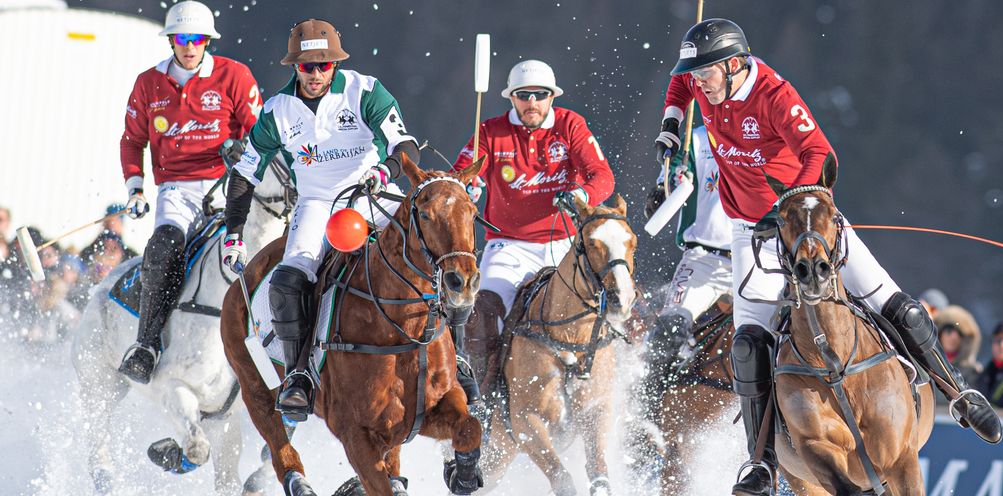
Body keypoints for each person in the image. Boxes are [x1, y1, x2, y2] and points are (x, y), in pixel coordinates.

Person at [654, 18, 1002, 496]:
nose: (699, 81)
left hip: (804, 223)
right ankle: (760, 462)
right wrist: (672, 125)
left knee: (893, 302)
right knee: (748, 345)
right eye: (698, 73)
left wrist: (798, 210)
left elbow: (819, 152)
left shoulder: (774, 95)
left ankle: (960, 394)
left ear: (734, 64)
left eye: (707, 72)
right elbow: (679, 82)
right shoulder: (704, 81)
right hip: (747, 232)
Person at [223, 18, 420, 420]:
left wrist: (386, 171)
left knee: (431, 250)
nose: (315, 74)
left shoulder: (364, 90)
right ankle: (299, 376)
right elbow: (245, 175)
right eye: (307, 66)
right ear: (294, 66)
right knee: (287, 279)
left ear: (335, 64)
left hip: (372, 192)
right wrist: (233, 235)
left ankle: (460, 360)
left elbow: (405, 145)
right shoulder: (277, 110)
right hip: (317, 202)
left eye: (323, 65)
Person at [452, 59, 615, 405]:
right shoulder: (491, 132)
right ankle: (484, 396)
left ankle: (608, 389)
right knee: (484, 312)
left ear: (551, 96)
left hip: (565, 243)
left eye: (540, 95)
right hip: (508, 246)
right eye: (523, 95)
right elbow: (458, 177)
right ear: (512, 98)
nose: (532, 103)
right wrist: (469, 187)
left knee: (611, 299)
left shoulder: (570, 125)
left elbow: (602, 176)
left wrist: (581, 195)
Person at [118, 1, 261, 384]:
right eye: (182, 38)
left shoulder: (235, 76)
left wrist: (242, 151)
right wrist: (135, 188)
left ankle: (279, 356)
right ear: (171, 40)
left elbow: (261, 135)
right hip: (177, 191)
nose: (190, 46)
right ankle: (146, 344)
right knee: (163, 247)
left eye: (198, 38)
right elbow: (133, 141)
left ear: (207, 41)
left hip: (229, 186)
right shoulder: (149, 83)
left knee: (264, 251)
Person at [638, 123, 732, 424]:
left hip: (757, 258)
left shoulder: (770, 137)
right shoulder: (696, 139)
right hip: (703, 258)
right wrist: (669, 186)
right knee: (668, 330)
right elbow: (661, 198)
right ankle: (646, 421)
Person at [933, 305, 982, 386]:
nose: (954, 337)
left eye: (960, 333)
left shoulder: (973, 374)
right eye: (949, 330)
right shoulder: (928, 366)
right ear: (939, 334)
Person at [79, 203, 138, 268]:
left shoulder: (130, 257)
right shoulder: (89, 251)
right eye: (108, 221)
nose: (111, 225)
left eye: (115, 221)